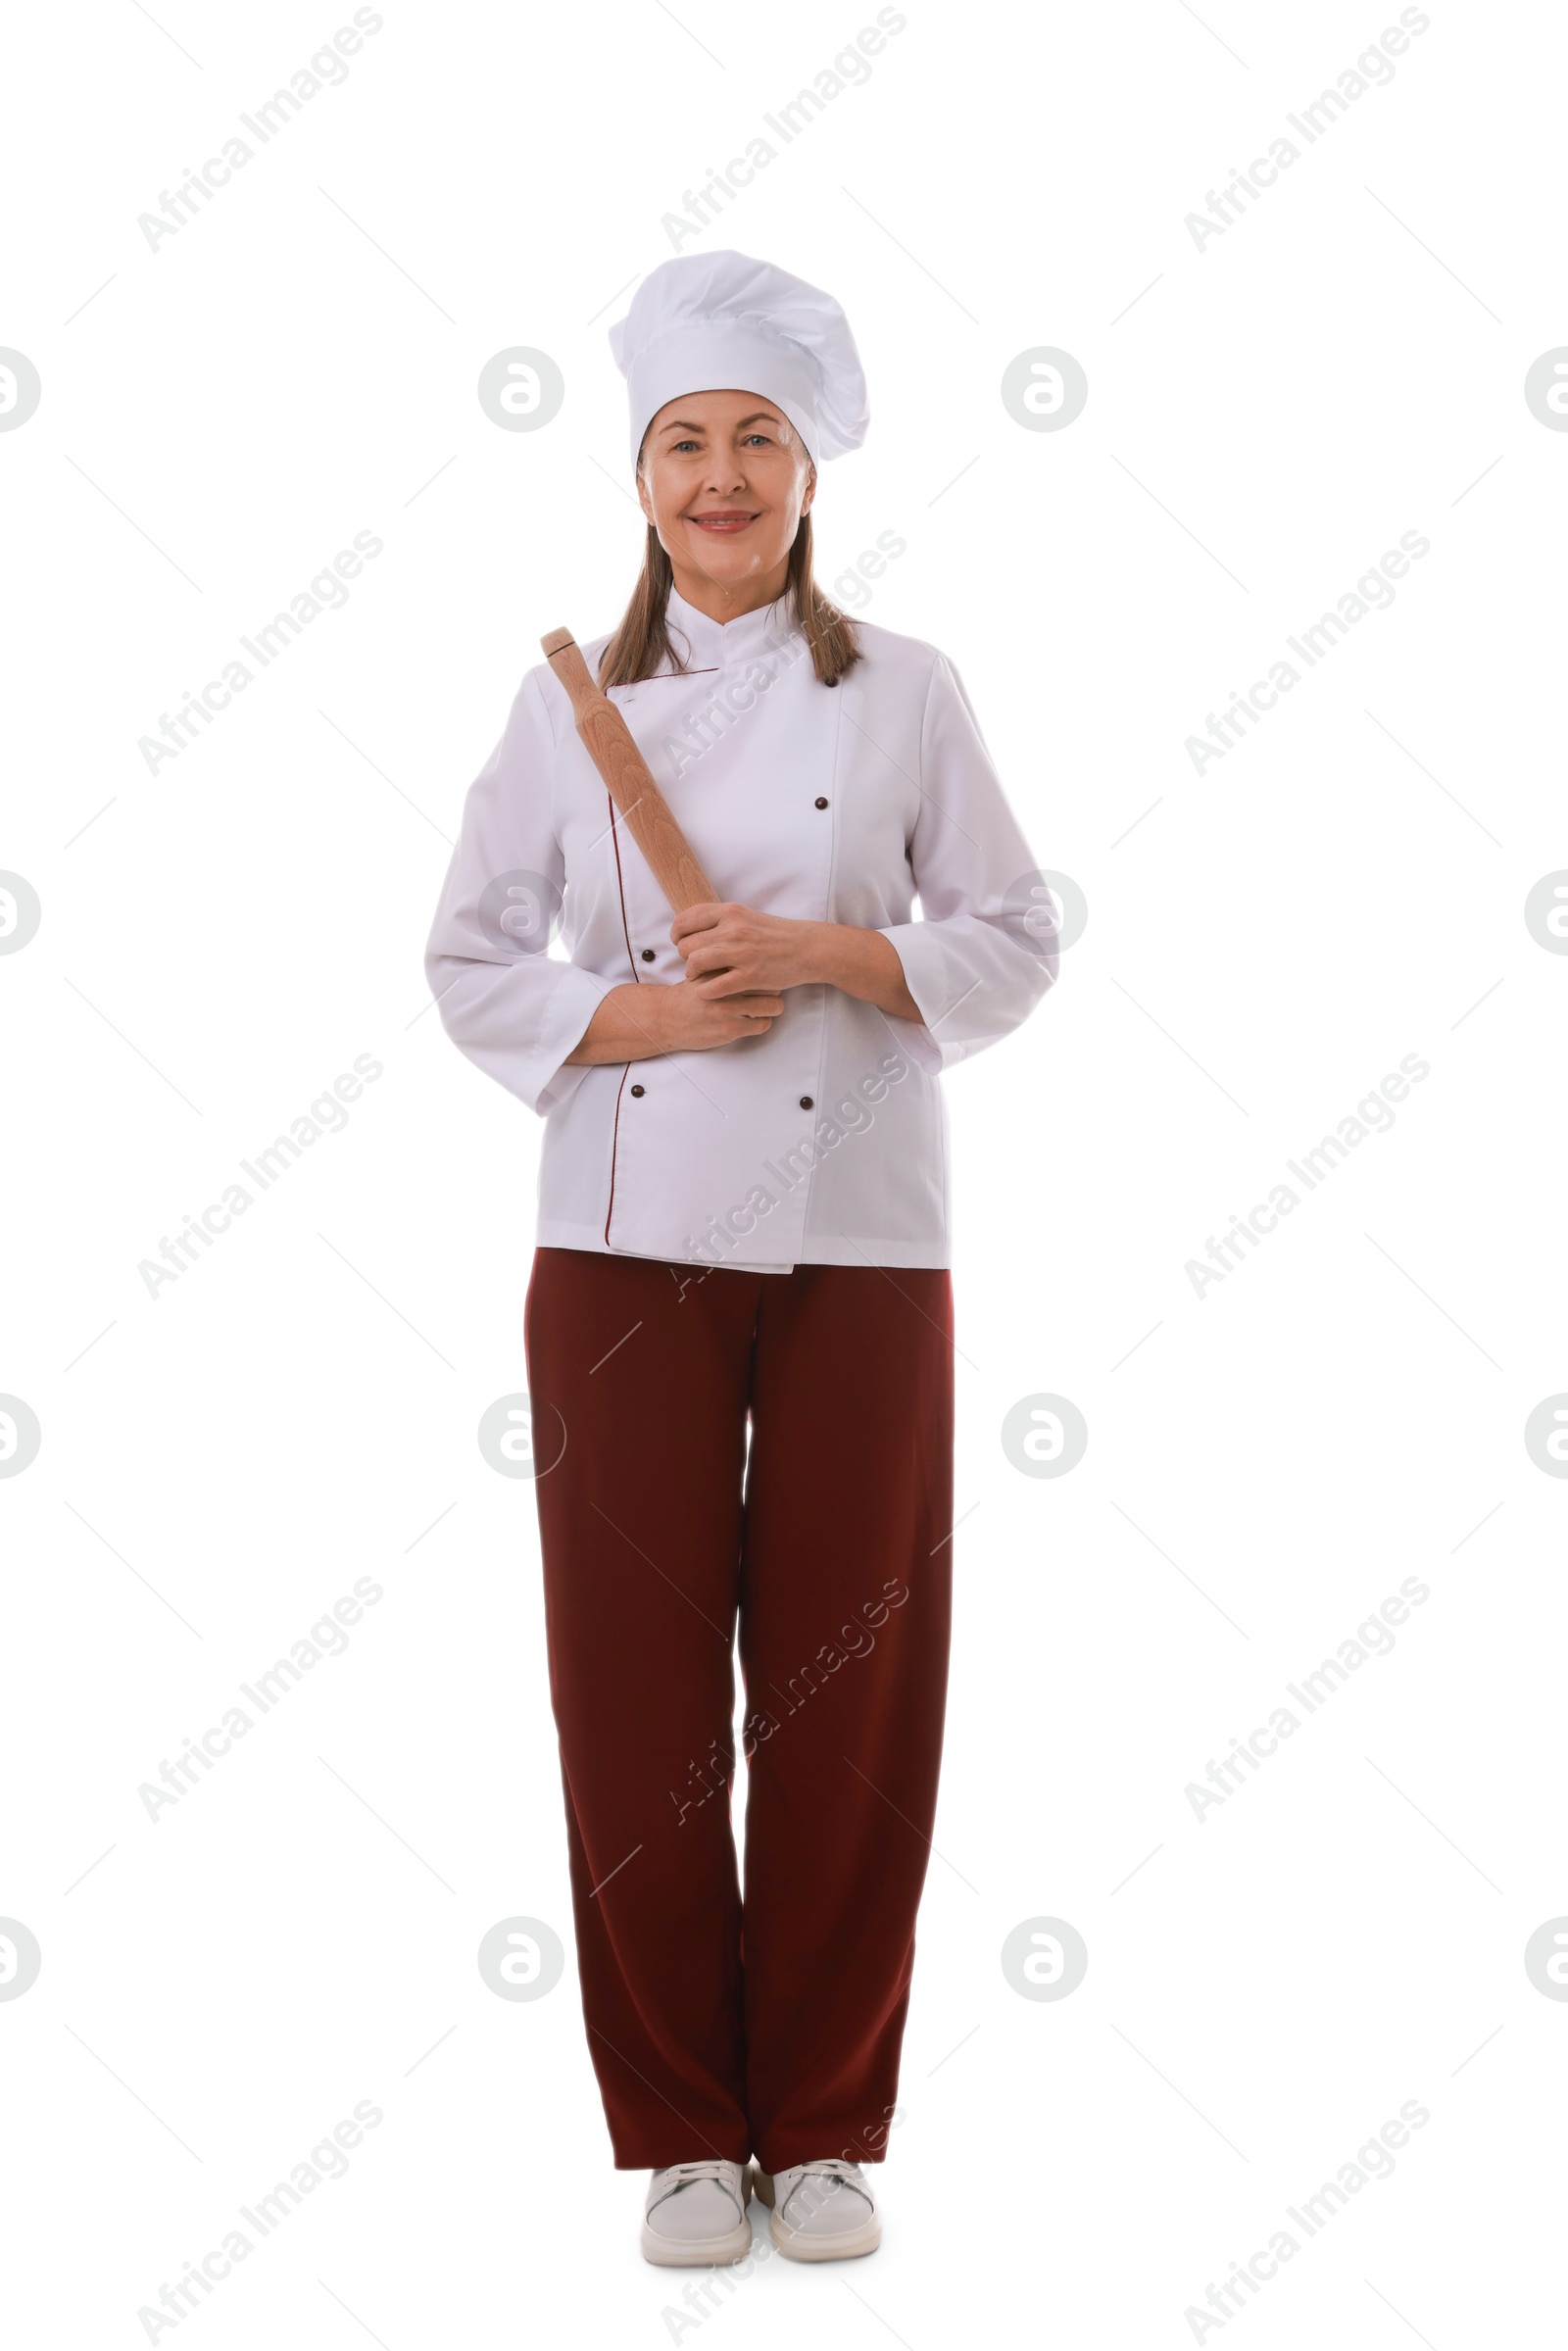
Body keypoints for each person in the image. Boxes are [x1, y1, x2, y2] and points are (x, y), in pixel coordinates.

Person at [424, 248, 1056, 2265]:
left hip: (869, 1231)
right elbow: (462, 959)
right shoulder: (566, 711)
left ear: (805, 474)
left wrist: (833, 958)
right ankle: (684, 2133)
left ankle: (831, 2121)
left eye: (753, 440)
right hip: (617, 1239)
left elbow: (1015, 934)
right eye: (684, 441)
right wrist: (634, 1017)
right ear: (634, 478)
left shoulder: (910, 693)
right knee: (628, 1687)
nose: (719, 474)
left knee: (849, 1679)